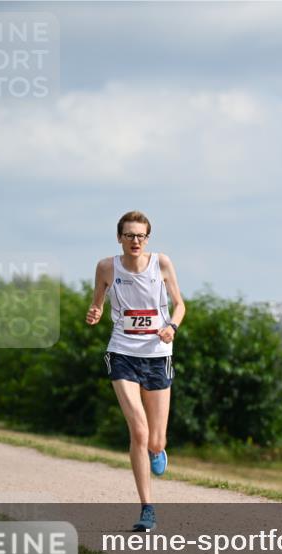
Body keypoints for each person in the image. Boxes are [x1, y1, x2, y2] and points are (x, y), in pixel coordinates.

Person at [85, 211, 185, 531]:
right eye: (129, 235)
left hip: (158, 354)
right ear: (119, 238)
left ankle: (158, 449)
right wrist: (96, 311)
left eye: (140, 236)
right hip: (122, 352)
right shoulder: (106, 267)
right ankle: (147, 508)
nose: (135, 241)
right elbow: (98, 302)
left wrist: (171, 325)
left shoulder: (162, 264)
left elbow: (180, 305)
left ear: (147, 239)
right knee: (138, 431)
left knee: (156, 439)